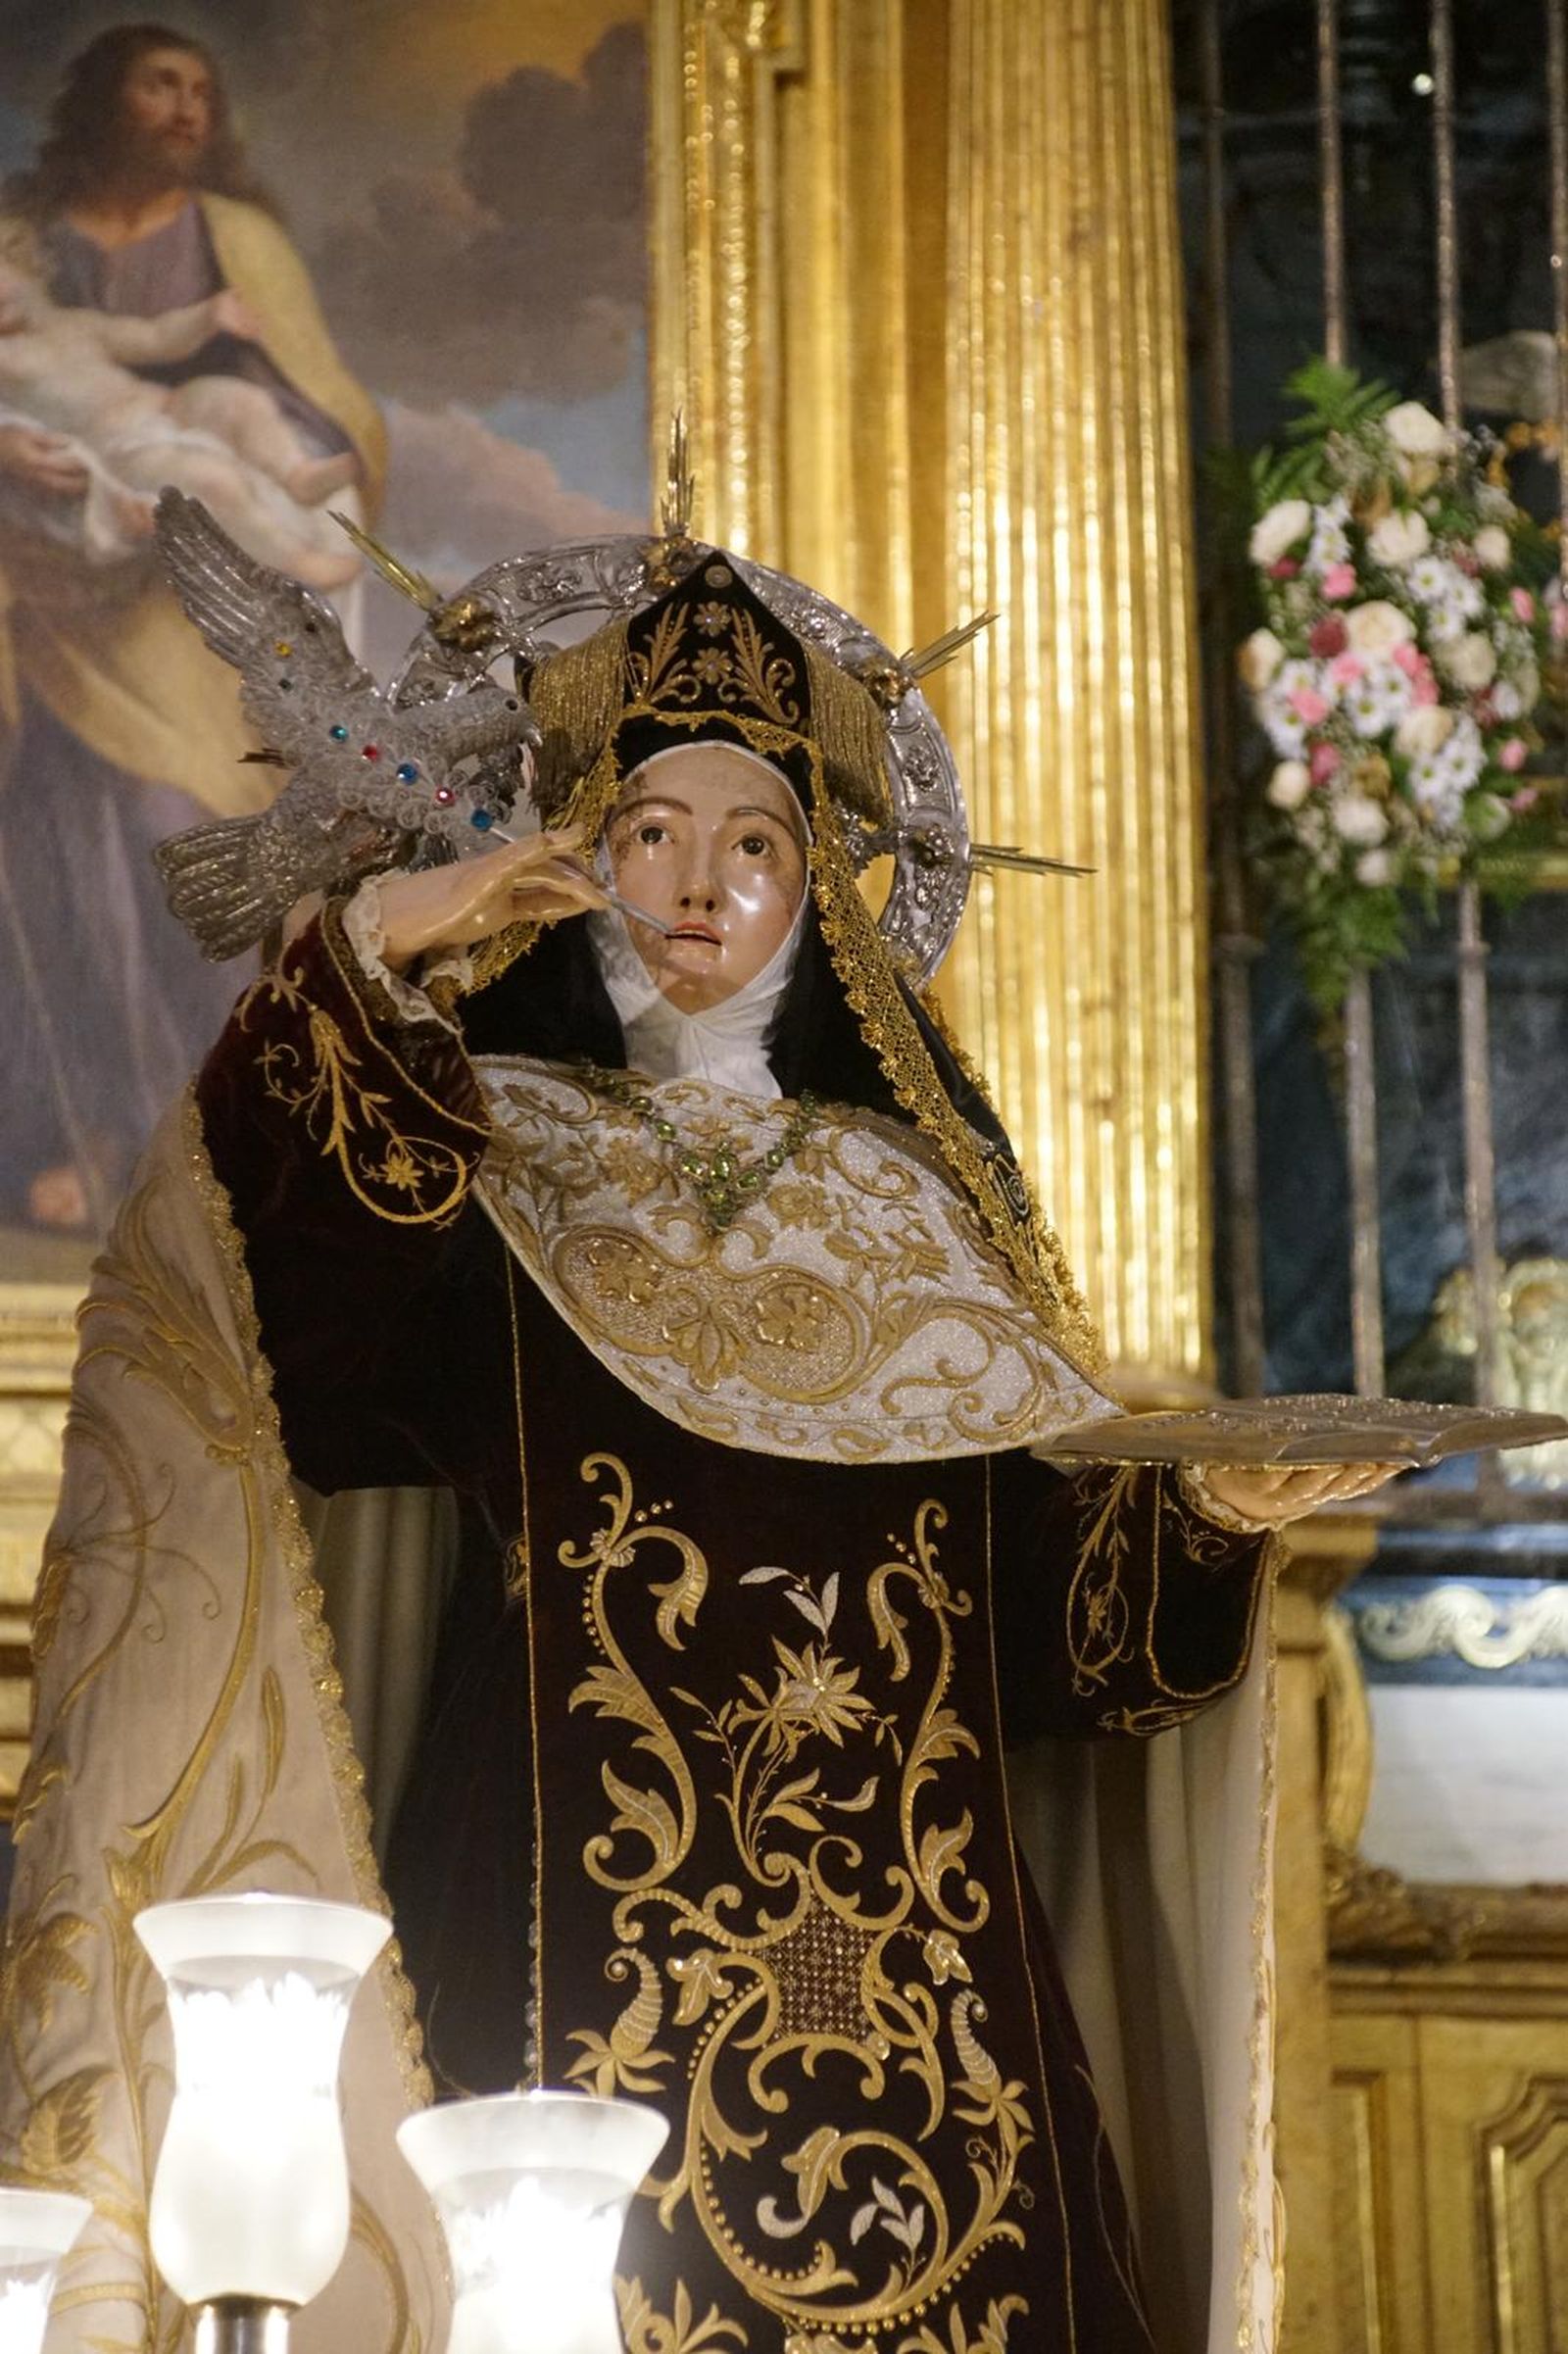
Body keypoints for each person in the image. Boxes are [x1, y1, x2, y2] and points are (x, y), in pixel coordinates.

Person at [2, 545, 1395, 2354]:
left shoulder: (922, 1212)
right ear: (579, 852)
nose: (700, 888)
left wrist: (1207, 1510)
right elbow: (289, 1335)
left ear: (818, 890)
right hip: (555, 1964)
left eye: (757, 845)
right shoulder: (489, 1154)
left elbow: (1049, 1641)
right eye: (653, 831)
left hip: (936, 2012)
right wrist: (387, 949)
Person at [0, 22, 382, 1233]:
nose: (184, 108)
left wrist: (264, 446)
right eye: (160, 83)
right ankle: (93, 1138)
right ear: (106, 98)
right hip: (51, 590)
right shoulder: (19, 233)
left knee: (191, 839)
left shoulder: (239, 241)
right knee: (68, 851)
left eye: (202, 89)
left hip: (199, 609)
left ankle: (238, 1139)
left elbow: (320, 402)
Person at [0, 239, 358, 587]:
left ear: (22, 268)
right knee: (211, 480)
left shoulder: (71, 324)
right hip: (122, 448)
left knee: (237, 399)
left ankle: (296, 474)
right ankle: (294, 561)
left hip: (167, 406)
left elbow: (154, 338)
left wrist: (207, 317)